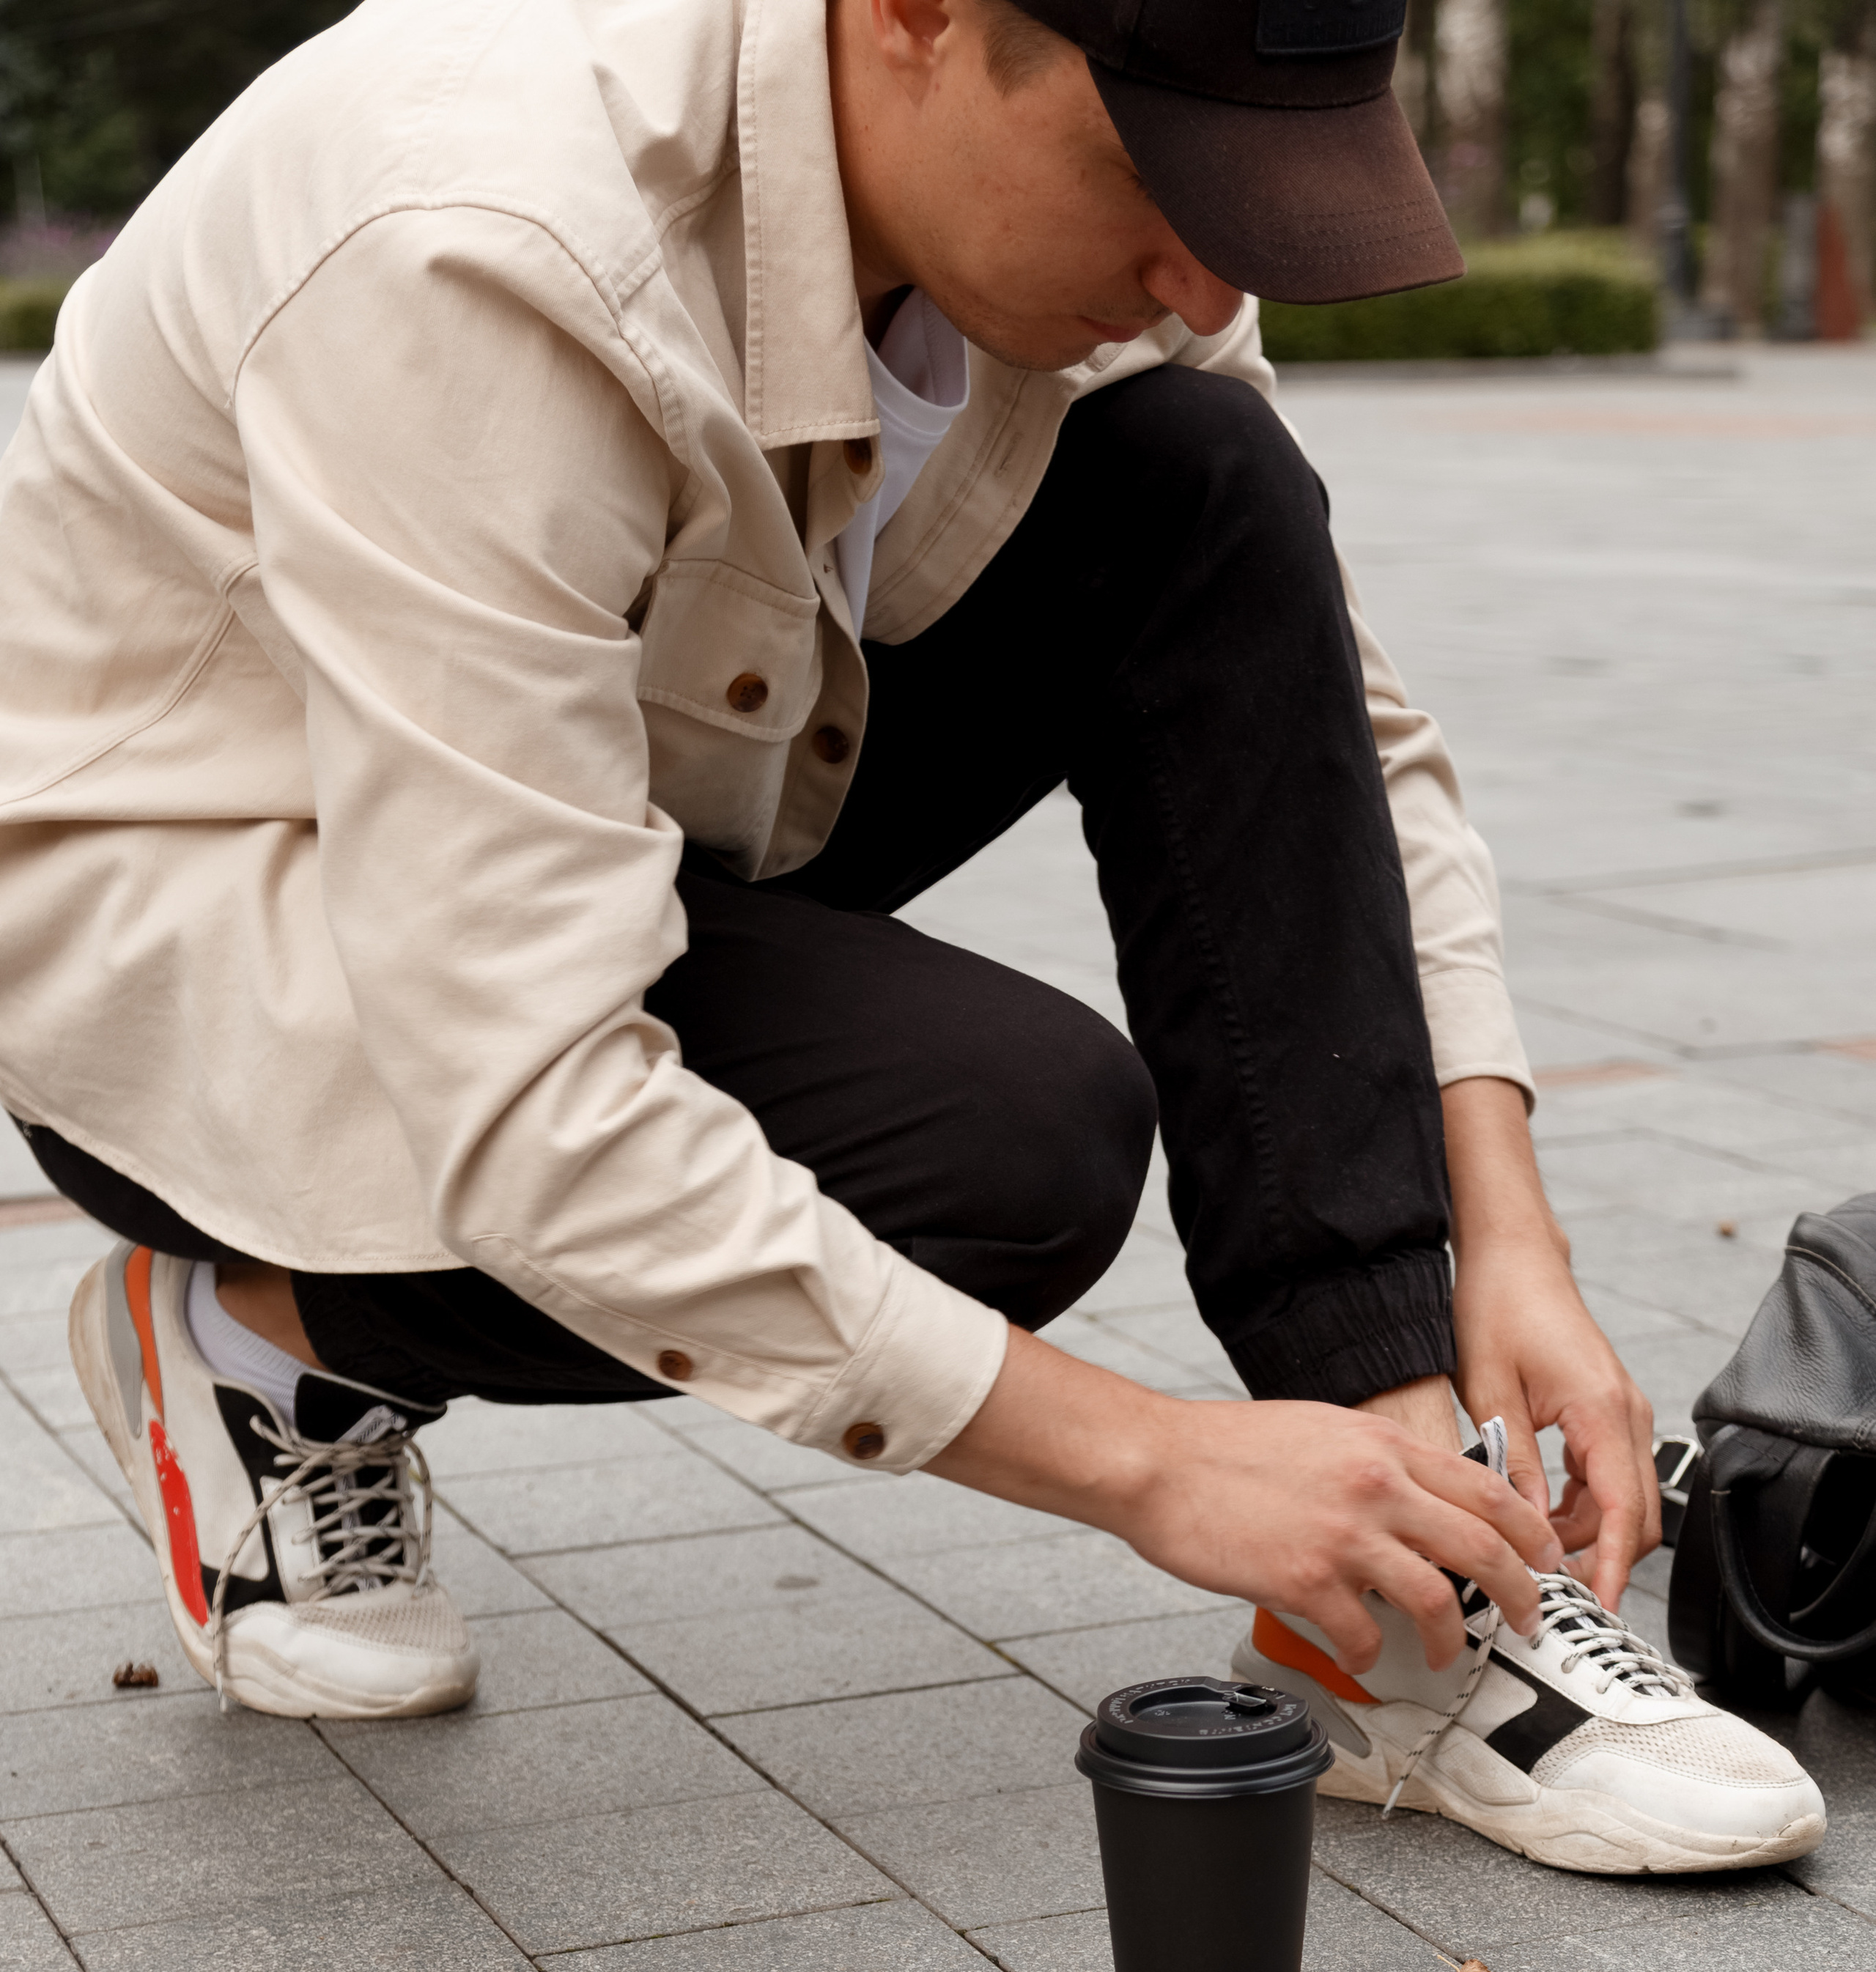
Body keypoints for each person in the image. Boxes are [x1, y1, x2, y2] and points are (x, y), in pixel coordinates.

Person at [0, 0, 1823, 1870]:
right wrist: (1151, 1465)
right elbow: (527, 1081)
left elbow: (1327, 725)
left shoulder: (1099, 225)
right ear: (915, 19)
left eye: (1255, 196)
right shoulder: (478, 239)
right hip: (216, 918)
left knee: (1206, 481)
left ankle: (1394, 1574)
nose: (1204, 272)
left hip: (644, 781)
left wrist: (1500, 1239)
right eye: (1160, 180)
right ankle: (264, 1329)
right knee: (1002, 1152)